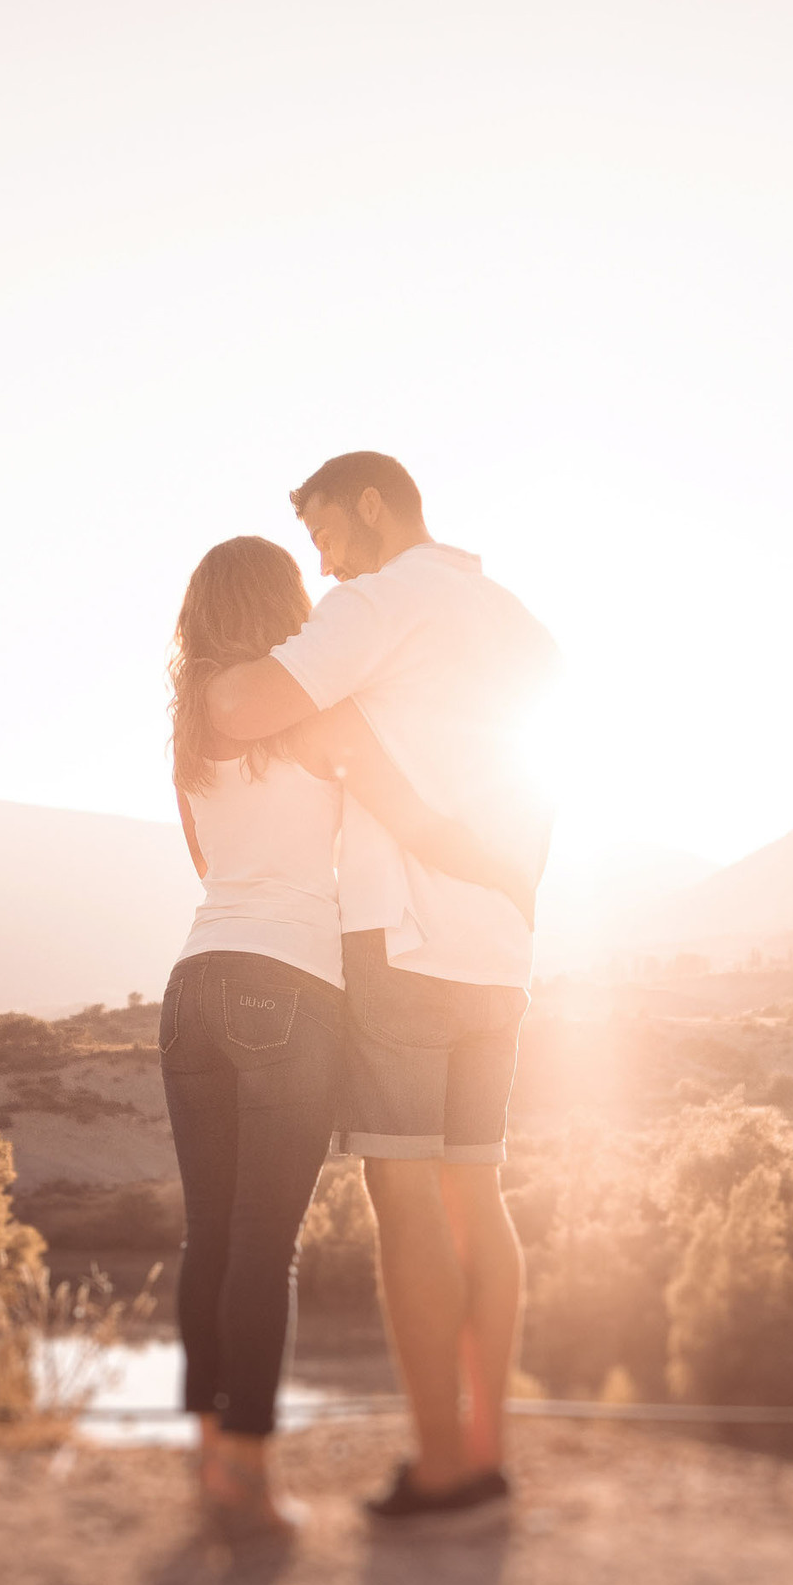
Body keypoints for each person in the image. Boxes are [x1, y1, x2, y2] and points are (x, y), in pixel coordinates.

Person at [207, 452, 557, 1527]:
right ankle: (487, 1451)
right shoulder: (513, 616)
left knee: (404, 1196)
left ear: (367, 504)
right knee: (477, 1195)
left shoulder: (380, 600)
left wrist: (281, 706)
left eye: (320, 530)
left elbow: (248, 705)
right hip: (501, 944)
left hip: (400, 938)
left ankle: (445, 1469)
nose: (317, 558)